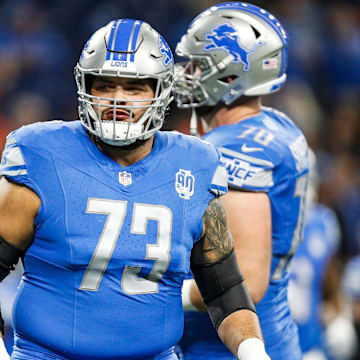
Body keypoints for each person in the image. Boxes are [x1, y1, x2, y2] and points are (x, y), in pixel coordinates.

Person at [0, 18, 271, 360]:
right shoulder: (42, 154)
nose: (117, 100)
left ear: (161, 92)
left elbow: (225, 290)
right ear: (85, 87)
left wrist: (254, 353)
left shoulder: (194, 164)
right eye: (105, 86)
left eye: (134, 87)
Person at [173, 2, 309, 360]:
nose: (185, 73)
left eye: (198, 65)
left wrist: (165, 294)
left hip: (228, 343)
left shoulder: (236, 149)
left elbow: (244, 277)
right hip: (272, 330)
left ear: (231, 78)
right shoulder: (278, 124)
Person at [288, 151, 357, 360]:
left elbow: (331, 283)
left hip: (310, 346)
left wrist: (340, 316)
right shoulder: (260, 222)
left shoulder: (323, 222)